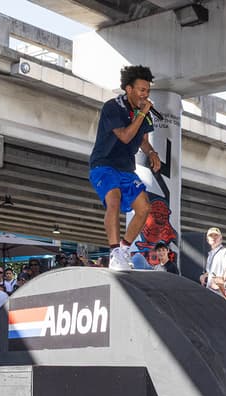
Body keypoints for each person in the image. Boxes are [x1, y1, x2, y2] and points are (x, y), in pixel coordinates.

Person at [89, 65, 160, 270]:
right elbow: (126, 136)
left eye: (147, 91)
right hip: (104, 164)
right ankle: (113, 252)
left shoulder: (144, 115)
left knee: (144, 207)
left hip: (126, 168)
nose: (145, 94)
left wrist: (152, 153)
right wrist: (141, 113)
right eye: (141, 90)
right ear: (128, 89)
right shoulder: (113, 106)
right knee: (114, 198)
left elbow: (141, 140)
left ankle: (124, 249)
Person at [201, 227, 226, 298]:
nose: (214, 238)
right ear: (207, 240)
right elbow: (211, 271)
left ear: (221, 239)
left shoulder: (224, 252)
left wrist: (220, 283)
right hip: (211, 291)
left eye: (216, 235)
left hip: (220, 292)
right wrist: (204, 275)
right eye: (211, 236)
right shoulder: (211, 254)